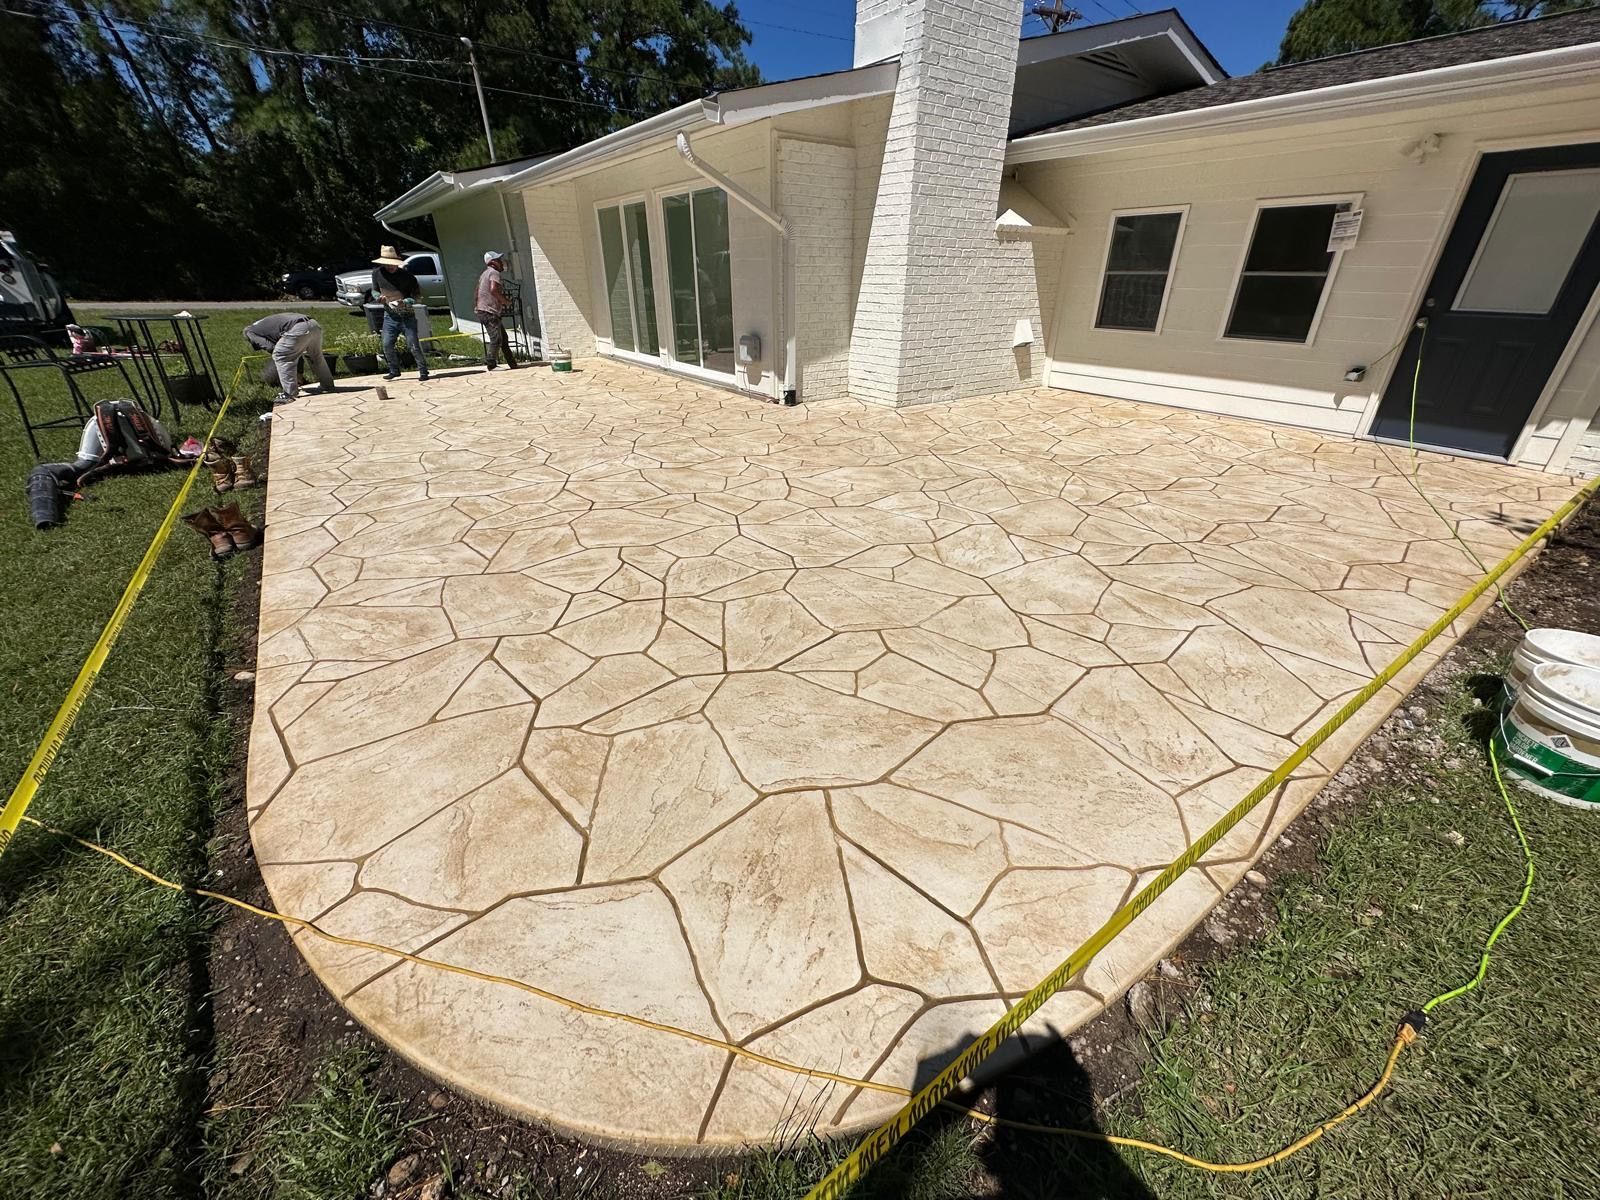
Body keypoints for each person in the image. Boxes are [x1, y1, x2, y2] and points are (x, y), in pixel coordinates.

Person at [242, 313, 334, 402]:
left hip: (296, 328)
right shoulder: (261, 324)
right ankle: (327, 385)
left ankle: (289, 394)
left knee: (281, 356)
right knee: (316, 357)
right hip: (313, 324)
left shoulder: (249, 332)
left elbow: (270, 347)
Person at [371, 245, 429, 382]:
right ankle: (394, 370)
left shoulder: (408, 277)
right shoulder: (377, 274)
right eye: (387, 264)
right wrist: (378, 297)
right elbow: (374, 290)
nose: (391, 267)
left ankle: (423, 370)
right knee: (386, 344)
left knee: (413, 345)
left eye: (393, 264)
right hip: (389, 315)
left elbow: (417, 296)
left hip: (406, 315)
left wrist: (407, 301)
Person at [475, 250, 518, 372]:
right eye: (498, 260)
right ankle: (491, 364)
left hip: (485, 310)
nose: (501, 262)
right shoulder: (494, 273)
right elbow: (494, 290)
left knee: (503, 338)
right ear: (492, 262)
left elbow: (477, 291)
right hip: (489, 311)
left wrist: (477, 306)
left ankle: (512, 364)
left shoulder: (484, 274)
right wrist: (505, 301)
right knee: (496, 338)